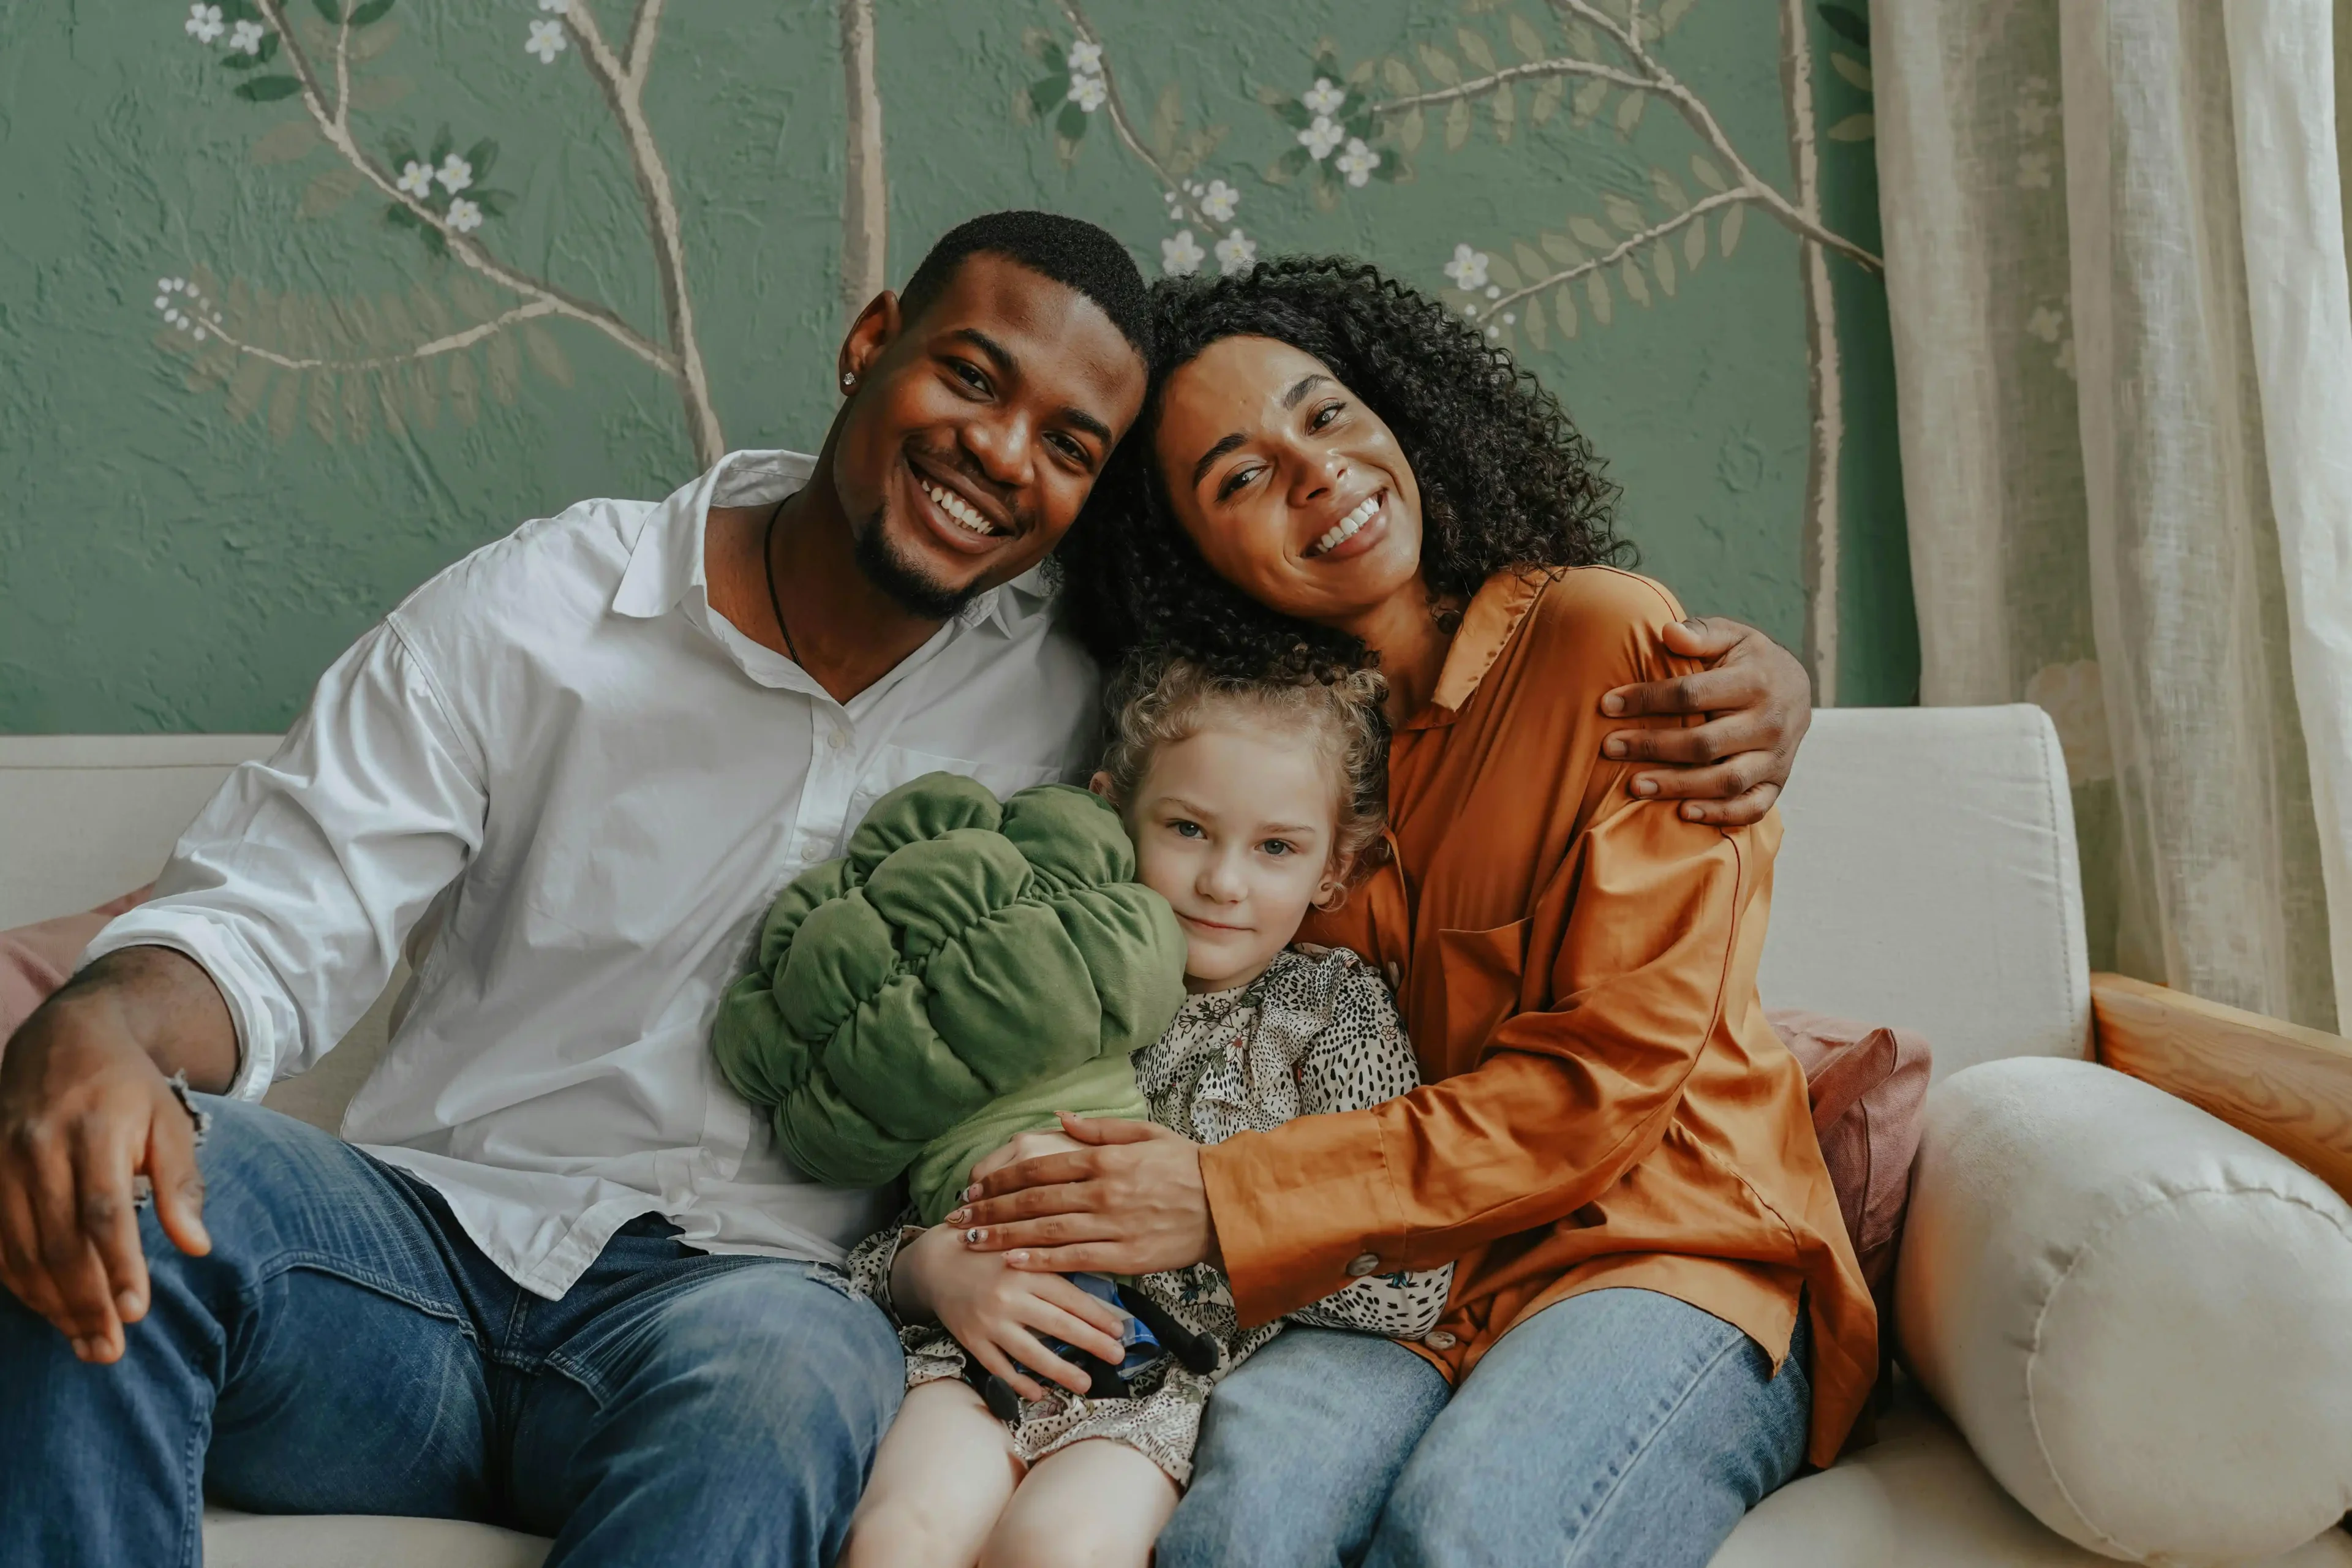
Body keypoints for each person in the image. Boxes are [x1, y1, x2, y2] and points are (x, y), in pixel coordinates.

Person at [0, 211, 1812, 1563]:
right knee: (118, 1158)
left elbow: (1372, 901)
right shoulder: (544, 609)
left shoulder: (1116, 708)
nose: (998, 456)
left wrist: (1771, 688)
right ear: (876, 339)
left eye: (1070, 447)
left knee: (787, 1384)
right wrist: (99, 1009)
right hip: (429, 1242)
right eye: (969, 376)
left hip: (760, 1300)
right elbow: (286, 897)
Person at [951, 255, 1879, 1568]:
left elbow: (1600, 1085)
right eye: (1241, 475)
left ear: (1398, 412)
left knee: (1467, 1536)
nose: (1316, 469)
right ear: (1189, 558)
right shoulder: (1257, 777)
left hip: (1667, 1256)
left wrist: (1224, 1196)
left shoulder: (1608, 646)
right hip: (1384, 1302)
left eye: (1324, 413)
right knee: (1232, 1536)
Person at [839, 659, 1452, 1568]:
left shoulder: (1335, 1011)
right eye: (1189, 829)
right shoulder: (1039, 979)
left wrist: (1221, 1221)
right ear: (1111, 811)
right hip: (975, 1347)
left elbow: (1410, 1283)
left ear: (1338, 866)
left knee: (1058, 1548)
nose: (1223, 882)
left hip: (1161, 1389)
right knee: (902, 1535)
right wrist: (930, 1272)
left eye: (1276, 848)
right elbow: (884, 1230)